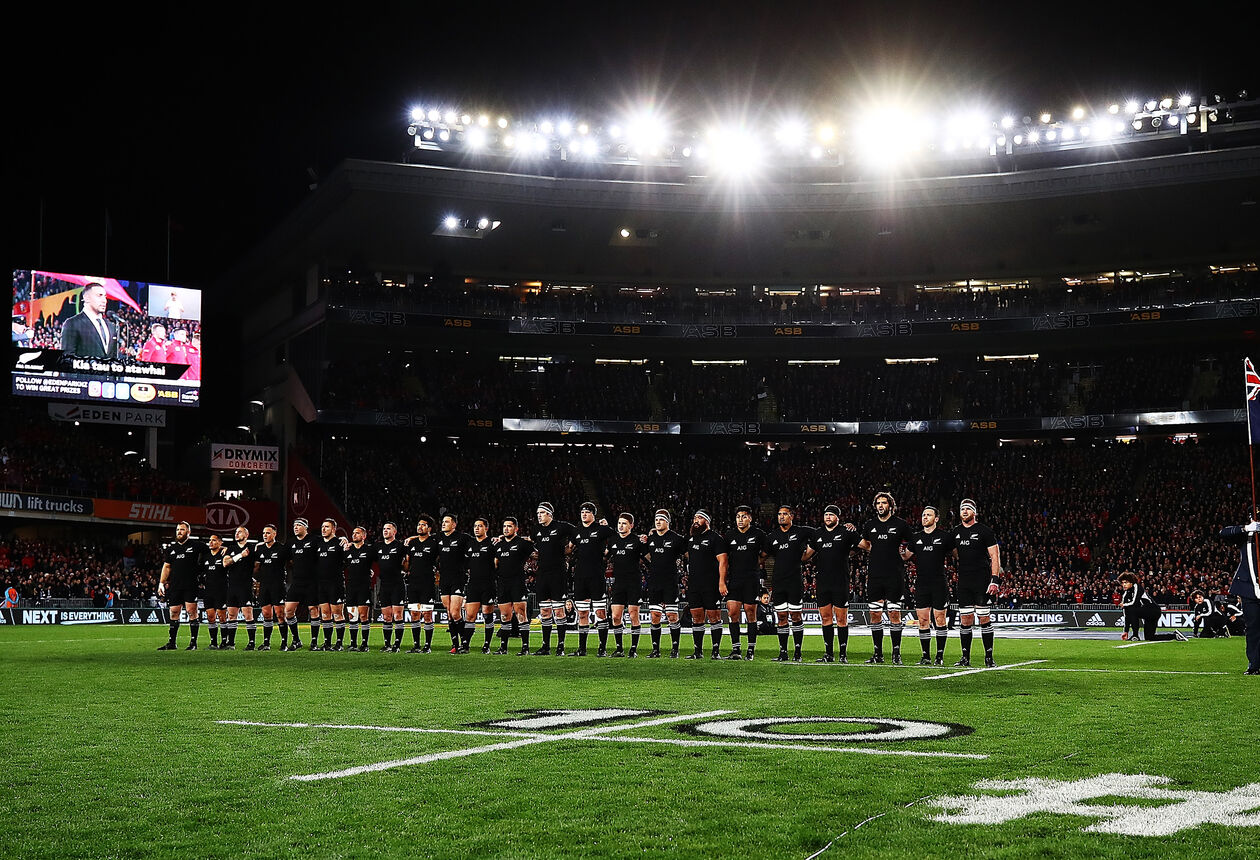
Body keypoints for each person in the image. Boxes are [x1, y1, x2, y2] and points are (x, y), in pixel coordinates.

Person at [856, 491, 912, 665]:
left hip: (894, 574)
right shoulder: (869, 525)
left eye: (884, 503)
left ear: (891, 506)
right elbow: (864, 543)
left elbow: (913, 542)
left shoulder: (900, 524)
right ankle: (878, 654)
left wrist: (905, 554)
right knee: (875, 614)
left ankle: (896, 654)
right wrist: (875, 549)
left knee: (894, 613)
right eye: (878, 503)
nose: (881, 506)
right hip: (875, 575)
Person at [950, 499, 1002, 667]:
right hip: (964, 581)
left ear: (975, 512)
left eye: (968, 509)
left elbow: (994, 556)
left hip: (982, 580)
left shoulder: (984, 531)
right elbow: (954, 553)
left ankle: (989, 657)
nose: (964, 512)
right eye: (962, 509)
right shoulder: (955, 532)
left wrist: (994, 580)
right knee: (965, 620)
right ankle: (965, 658)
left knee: (983, 617)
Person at [901, 506, 954, 665]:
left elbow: (957, 554)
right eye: (923, 515)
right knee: (923, 620)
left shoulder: (945, 537)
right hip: (922, 584)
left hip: (939, 583)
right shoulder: (916, 537)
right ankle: (925, 656)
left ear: (936, 519)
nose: (925, 517)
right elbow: (905, 556)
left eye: (928, 515)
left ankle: (939, 656)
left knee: (940, 620)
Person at [810, 504, 860, 663]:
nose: (828, 517)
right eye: (826, 515)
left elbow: (862, 545)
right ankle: (828, 654)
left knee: (841, 620)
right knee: (825, 619)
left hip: (840, 582)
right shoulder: (817, 534)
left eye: (831, 515)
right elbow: (805, 555)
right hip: (823, 583)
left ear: (838, 518)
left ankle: (843, 654)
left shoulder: (846, 532)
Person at [766, 505, 815, 662]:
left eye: (785, 514)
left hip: (794, 581)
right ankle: (783, 652)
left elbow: (821, 534)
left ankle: (798, 652)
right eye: (779, 514)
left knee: (795, 615)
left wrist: (808, 554)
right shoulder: (772, 536)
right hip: (778, 581)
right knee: (781, 617)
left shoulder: (801, 531)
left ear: (792, 516)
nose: (781, 517)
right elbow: (762, 554)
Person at [531, 502, 576, 655]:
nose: (539, 515)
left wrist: (570, 547)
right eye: (538, 513)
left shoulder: (561, 526)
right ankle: (545, 646)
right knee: (544, 611)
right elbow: (530, 542)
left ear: (549, 514)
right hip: (542, 574)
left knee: (558, 611)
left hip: (558, 574)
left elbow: (577, 533)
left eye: (542, 513)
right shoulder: (536, 530)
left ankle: (561, 646)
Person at [570, 502, 615, 656]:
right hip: (580, 578)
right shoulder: (576, 531)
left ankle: (602, 649)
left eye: (587, 512)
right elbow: (569, 549)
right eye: (582, 512)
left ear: (593, 514)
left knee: (600, 613)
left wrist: (607, 554)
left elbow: (616, 539)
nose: (584, 514)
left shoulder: (601, 530)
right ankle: (582, 649)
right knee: (582, 614)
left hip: (596, 577)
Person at [725, 504, 768, 660]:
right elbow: (724, 558)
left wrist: (758, 560)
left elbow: (766, 550)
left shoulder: (758, 534)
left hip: (751, 579)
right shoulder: (729, 535)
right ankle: (736, 649)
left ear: (750, 518)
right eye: (738, 517)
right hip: (735, 579)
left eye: (743, 516)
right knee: (733, 613)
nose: (740, 520)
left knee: (751, 614)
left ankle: (750, 650)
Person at [156, 521, 209, 650]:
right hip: (175, 585)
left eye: (182, 530)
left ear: (188, 532)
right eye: (178, 530)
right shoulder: (171, 549)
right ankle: (172, 643)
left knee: (192, 611)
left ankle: (193, 643)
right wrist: (161, 583)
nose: (179, 532)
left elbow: (213, 550)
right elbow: (167, 567)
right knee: (174, 612)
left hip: (191, 584)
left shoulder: (197, 546)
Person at [643, 509, 687, 658]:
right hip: (655, 582)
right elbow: (645, 555)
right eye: (656, 520)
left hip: (670, 582)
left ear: (667, 522)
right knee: (655, 616)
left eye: (661, 519)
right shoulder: (651, 539)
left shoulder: (676, 538)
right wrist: (652, 567)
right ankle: (656, 650)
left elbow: (687, 554)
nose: (658, 522)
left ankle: (675, 649)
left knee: (672, 616)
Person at [685, 509, 728, 660]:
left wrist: (721, 582)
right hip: (694, 585)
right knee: (696, 617)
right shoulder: (691, 539)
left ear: (707, 521)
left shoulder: (715, 538)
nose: (695, 520)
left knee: (714, 617)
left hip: (711, 584)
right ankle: (698, 651)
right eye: (694, 518)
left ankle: (715, 651)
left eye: (699, 518)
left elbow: (723, 561)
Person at [1220, 516, 1260, 674]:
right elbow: (1224, 533)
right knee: (1253, 628)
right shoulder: (1246, 535)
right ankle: (1254, 665)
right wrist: (1246, 528)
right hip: (1249, 588)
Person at [606, 513, 647, 657]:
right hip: (619, 583)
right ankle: (619, 649)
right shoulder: (613, 540)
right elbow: (605, 556)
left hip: (633, 582)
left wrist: (647, 542)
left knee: (633, 614)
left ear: (631, 525)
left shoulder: (637, 541)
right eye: (619, 523)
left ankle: (633, 649)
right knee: (616, 617)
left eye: (624, 523)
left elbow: (648, 559)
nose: (621, 526)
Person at [493, 516, 535, 655]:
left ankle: (525, 648)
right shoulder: (498, 545)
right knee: (505, 616)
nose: (506, 529)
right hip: (503, 583)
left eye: (509, 526)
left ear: (516, 528)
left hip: (517, 582)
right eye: (504, 526)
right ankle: (503, 648)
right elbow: (495, 563)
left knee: (521, 614)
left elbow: (535, 551)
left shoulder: (522, 543)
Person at [434, 514, 472, 653]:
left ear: (454, 524)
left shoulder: (463, 538)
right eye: (443, 522)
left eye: (447, 522)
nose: (443, 524)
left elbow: (478, 542)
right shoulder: (438, 537)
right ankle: (455, 645)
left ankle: (465, 643)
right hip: (444, 579)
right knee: (449, 614)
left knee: (455, 613)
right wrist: (411, 538)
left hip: (458, 579)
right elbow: (423, 538)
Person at [461, 517, 498, 653]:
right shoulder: (470, 544)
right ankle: (465, 646)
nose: (477, 528)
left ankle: (486, 645)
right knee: (470, 616)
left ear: (486, 528)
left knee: (487, 615)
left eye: (480, 526)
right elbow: (466, 564)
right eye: (475, 526)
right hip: (473, 584)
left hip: (488, 584)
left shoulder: (492, 543)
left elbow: (497, 562)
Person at [403, 514, 439, 652]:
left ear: (429, 528)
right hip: (413, 583)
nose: (420, 527)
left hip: (427, 583)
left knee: (427, 615)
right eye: (419, 524)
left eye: (423, 524)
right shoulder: (412, 543)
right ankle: (416, 645)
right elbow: (407, 563)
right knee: (414, 615)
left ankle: (427, 646)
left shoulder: (434, 542)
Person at [282, 518, 318, 651]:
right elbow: (280, 553)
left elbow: (328, 543)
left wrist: (342, 539)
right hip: (296, 582)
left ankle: (314, 642)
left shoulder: (314, 540)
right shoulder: (290, 542)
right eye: (294, 525)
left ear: (305, 527)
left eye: (298, 525)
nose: (295, 527)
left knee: (313, 611)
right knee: (288, 611)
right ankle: (296, 640)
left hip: (311, 582)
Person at [251, 524, 289, 650]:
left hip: (277, 585)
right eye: (263, 533)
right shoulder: (260, 549)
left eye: (268, 533)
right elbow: (256, 568)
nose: (265, 535)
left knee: (280, 614)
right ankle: (266, 643)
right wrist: (255, 580)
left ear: (274, 534)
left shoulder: (281, 549)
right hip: (264, 586)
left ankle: (284, 643)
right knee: (266, 614)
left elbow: (290, 564)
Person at [1118, 572, 1186, 642]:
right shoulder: (1125, 595)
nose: (1124, 585)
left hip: (1153, 610)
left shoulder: (1136, 587)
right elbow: (1126, 614)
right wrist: (1125, 631)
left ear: (1132, 582)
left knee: (1132, 609)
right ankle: (1174, 635)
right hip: (1147, 613)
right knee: (1150, 637)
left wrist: (1124, 605)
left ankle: (1135, 635)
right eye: (1122, 583)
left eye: (1126, 582)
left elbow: (1134, 603)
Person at [60, 282, 119, 358]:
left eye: (105, 296)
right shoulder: (72, 323)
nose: (104, 301)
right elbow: (67, 357)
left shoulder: (111, 326)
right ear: (86, 298)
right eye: (99, 296)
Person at [374, 522, 408, 652]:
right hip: (384, 585)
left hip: (397, 585)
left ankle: (397, 645)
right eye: (384, 529)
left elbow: (410, 556)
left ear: (394, 532)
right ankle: (387, 644)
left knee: (397, 615)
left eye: (388, 529)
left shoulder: (399, 546)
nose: (385, 531)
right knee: (387, 617)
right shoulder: (378, 546)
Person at [221, 526, 255, 649]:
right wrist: (240, 555)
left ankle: (251, 643)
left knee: (248, 614)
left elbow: (257, 565)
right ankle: (231, 643)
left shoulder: (252, 548)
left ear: (246, 534)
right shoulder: (231, 548)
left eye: (239, 532)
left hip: (245, 587)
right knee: (231, 615)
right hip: (232, 586)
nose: (236, 534)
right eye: (235, 532)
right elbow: (225, 563)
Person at [343, 526, 376, 651]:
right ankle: (353, 643)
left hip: (363, 587)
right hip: (351, 587)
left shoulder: (369, 550)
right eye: (353, 533)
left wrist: (370, 570)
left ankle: (364, 644)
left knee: (363, 616)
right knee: (352, 616)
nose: (354, 535)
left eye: (357, 533)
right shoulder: (348, 551)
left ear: (364, 536)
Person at [201, 533, 230, 649]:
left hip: (221, 590)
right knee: (210, 617)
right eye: (210, 540)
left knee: (222, 616)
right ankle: (213, 642)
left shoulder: (224, 555)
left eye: (214, 540)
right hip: (208, 590)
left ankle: (224, 641)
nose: (211, 542)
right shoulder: (205, 557)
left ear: (220, 542)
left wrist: (225, 549)